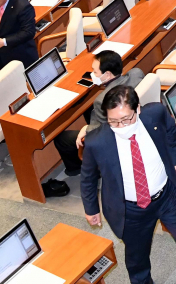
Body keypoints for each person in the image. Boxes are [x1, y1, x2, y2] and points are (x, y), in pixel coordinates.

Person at [81, 86, 176, 284]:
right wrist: (91, 208)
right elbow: (88, 177)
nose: (121, 126)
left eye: (126, 119)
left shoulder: (155, 114)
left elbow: (171, 130)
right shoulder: (96, 142)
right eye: (113, 121)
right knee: (138, 261)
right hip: (131, 210)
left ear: (138, 109)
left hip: (167, 197)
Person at [53, 50, 145, 184]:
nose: (92, 74)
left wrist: (86, 129)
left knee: (62, 139)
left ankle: (76, 169)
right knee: (88, 110)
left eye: (95, 72)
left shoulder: (102, 100)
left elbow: (105, 130)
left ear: (107, 74)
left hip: (116, 137)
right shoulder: (137, 73)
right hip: (135, 121)